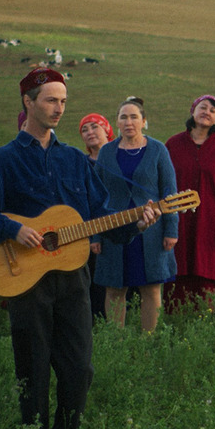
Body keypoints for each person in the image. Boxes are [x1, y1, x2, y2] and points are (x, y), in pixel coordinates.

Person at [0, 68, 156, 429]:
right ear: (28, 102)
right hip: (25, 278)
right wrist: (10, 230)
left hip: (73, 279)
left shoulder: (75, 161)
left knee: (79, 367)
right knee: (32, 368)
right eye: (50, 100)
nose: (58, 108)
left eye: (63, 101)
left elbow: (102, 215)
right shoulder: (3, 161)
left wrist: (136, 222)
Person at [93, 97, 178, 332]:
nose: (128, 122)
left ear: (144, 121)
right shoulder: (107, 152)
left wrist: (171, 230)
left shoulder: (158, 150)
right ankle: (115, 342)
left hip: (152, 231)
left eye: (134, 117)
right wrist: (96, 236)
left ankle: (147, 343)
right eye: (123, 117)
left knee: (150, 287)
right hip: (113, 229)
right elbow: (96, 196)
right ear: (116, 123)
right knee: (114, 288)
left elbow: (170, 193)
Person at [164, 95, 215, 310]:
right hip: (178, 222)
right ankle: (176, 316)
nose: (207, 112)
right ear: (193, 111)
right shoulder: (173, 145)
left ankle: (211, 317)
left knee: (211, 269)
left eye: (213, 110)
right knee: (178, 266)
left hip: (213, 223)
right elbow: (161, 183)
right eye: (203, 107)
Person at [78, 112, 114, 320]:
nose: (90, 132)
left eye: (94, 127)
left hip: (118, 225)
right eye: (84, 129)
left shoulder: (119, 159)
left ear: (107, 130)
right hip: (90, 230)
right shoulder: (82, 164)